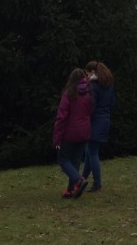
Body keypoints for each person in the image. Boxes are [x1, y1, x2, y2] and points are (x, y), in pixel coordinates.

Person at [51, 68, 93, 199]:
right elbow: (91, 111)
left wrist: (57, 137)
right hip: (84, 131)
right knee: (75, 160)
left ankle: (78, 180)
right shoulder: (89, 93)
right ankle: (71, 189)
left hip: (70, 132)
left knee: (63, 159)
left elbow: (61, 117)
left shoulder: (69, 93)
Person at [79, 61, 114, 195]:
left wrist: (85, 116)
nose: (87, 76)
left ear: (92, 72)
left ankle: (97, 183)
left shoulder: (93, 86)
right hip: (105, 119)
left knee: (92, 153)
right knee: (90, 151)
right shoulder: (108, 84)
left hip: (95, 121)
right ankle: (81, 180)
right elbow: (112, 103)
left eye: (87, 73)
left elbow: (91, 106)